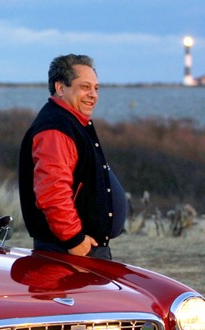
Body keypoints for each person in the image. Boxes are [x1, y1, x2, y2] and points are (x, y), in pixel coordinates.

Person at [18, 54, 126, 259]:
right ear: (60, 88)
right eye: (85, 87)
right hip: (69, 252)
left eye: (96, 88)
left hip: (78, 249)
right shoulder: (56, 128)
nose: (93, 95)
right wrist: (74, 240)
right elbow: (52, 191)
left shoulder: (71, 123)